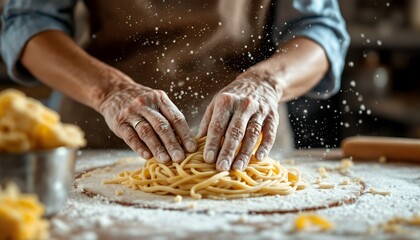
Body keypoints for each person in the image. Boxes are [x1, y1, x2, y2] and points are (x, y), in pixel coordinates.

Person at [0, 0, 349, 172]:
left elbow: (319, 29)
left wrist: (267, 82)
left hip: (246, 138)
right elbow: (28, 22)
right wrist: (110, 91)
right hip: (102, 129)